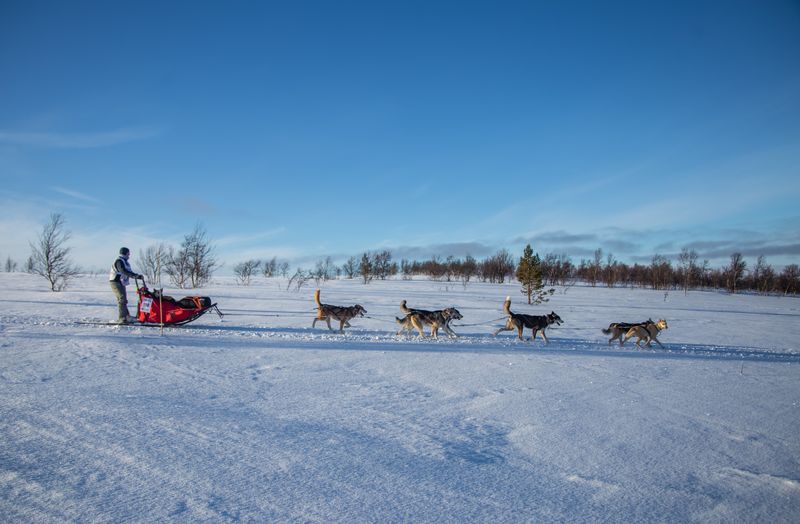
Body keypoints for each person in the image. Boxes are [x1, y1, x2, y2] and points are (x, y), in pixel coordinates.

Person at [109, 247, 143, 324]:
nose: (129, 255)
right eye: (128, 253)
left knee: (124, 299)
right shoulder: (119, 261)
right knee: (121, 299)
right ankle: (122, 318)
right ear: (125, 253)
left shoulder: (125, 261)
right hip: (115, 281)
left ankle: (126, 316)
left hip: (120, 282)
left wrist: (137, 276)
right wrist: (135, 276)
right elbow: (123, 271)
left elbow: (128, 271)